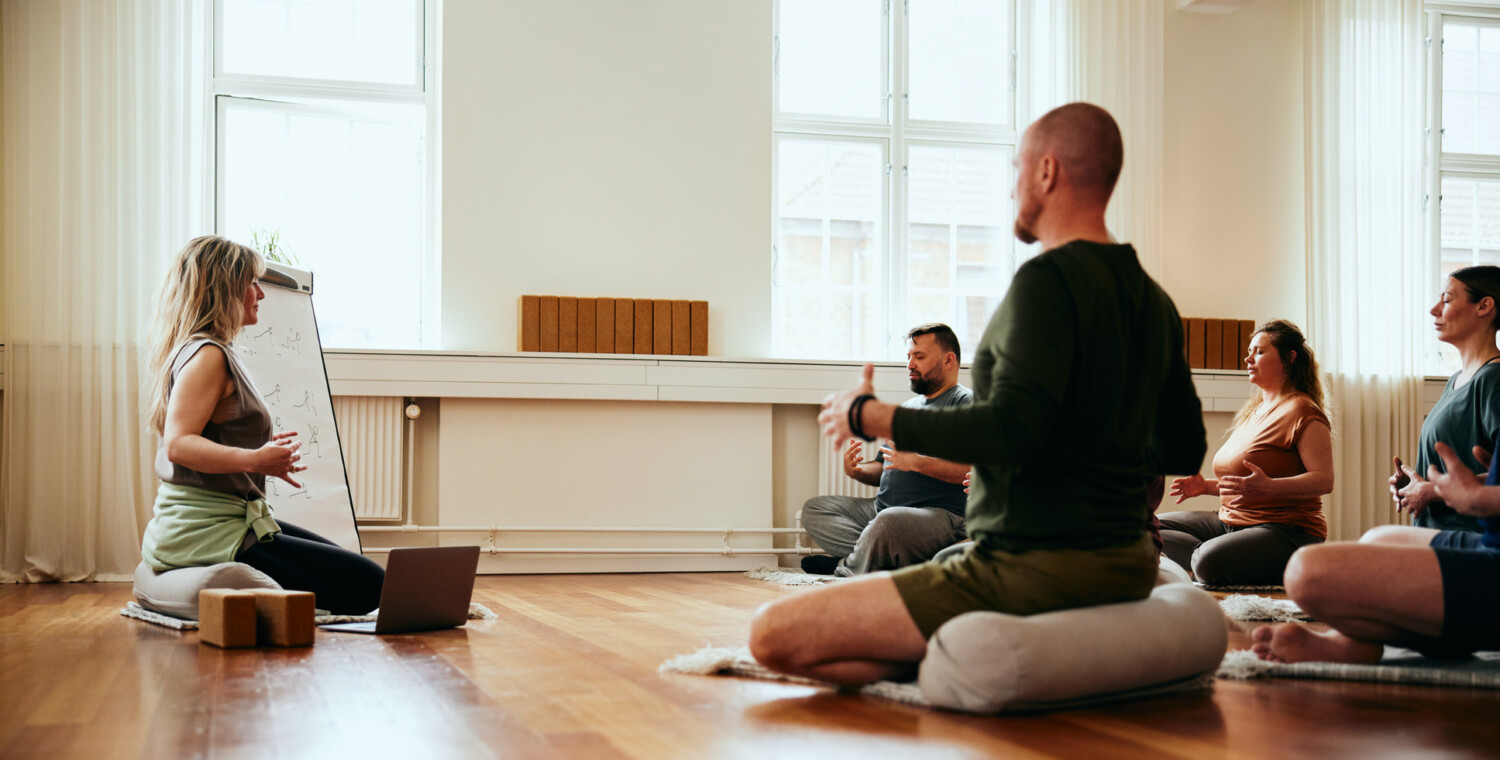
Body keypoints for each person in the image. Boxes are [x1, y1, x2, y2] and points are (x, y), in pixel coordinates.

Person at [748, 102, 1207, 685]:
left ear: (1046, 172)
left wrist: (877, 415)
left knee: (771, 633)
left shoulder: (1045, 283)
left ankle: (944, 659)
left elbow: (1006, 430)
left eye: (1016, 168)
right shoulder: (1153, 300)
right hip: (1127, 563)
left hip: (1025, 567)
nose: (1012, 186)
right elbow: (1183, 446)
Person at [141, 235, 384, 615]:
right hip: (210, 532)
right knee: (374, 587)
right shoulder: (207, 355)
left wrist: (264, 459)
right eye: (252, 283)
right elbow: (179, 445)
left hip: (232, 521)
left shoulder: (206, 350)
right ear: (225, 289)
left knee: (360, 572)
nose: (261, 293)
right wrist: (256, 460)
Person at [1251, 437, 1500, 663]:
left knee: (1304, 571)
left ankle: (1448, 636)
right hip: (1489, 542)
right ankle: (1353, 642)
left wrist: (1479, 497)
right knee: (1377, 538)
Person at [1160, 321, 1333, 586]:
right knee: (1148, 526)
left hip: (1284, 530)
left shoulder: (1304, 411)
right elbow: (1248, 485)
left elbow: (1323, 480)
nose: (1248, 358)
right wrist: (1205, 486)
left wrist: (1271, 488)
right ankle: (1225, 557)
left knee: (1206, 561)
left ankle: (1276, 564)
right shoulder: (1255, 410)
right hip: (1229, 521)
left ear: (1289, 358)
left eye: (1259, 352)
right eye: (1249, 351)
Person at [800, 324, 972, 577]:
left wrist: (916, 462)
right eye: (909, 357)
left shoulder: (965, 403)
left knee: (888, 524)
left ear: (949, 359)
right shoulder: (907, 408)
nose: (910, 364)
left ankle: (846, 568)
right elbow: (884, 466)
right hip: (882, 512)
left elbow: (972, 470)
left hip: (938, 517)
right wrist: (858, 471)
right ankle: (886, 559)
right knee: (816, 509)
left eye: (920, 357)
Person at [1364, 266, 1500, 550]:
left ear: (1484, 306)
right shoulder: (1457, 380)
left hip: (1472, 538)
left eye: (1447, 300)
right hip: (1438, 531)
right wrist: (1416, 483)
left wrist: (1433, 490)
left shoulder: (1493, 380)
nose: (1433, 309)